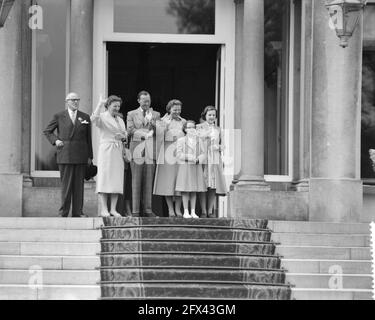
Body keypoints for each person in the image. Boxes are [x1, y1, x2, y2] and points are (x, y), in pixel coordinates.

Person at [43, 92, 93, 218]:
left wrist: (90, 157)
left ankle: (78, 212)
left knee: (79, 187)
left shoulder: (85, 116)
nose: (75, 102)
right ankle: (63, 212)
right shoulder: (59, 116)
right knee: (66, 186)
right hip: (65, 154)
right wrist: (56, 140)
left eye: (77, 100)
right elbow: (47, 131)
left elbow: (89, 139)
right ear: (67, 101)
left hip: (81, 155)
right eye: (72, 100)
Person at [91, 95, 127, 218]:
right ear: (108, 106)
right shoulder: (102, 116)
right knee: (105, 179)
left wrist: (123, 137)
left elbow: (125, 134)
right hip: (106, 151)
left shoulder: (120, 119)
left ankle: (113, 209)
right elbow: (93, 119)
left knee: (116, 180)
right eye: (114, 106)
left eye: (118, 106)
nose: (116, 108)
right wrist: (99, 104)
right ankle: (104, 209)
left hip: (117, 151)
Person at [127, 91, 161, 217]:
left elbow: (160, 132)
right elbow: (130, 130)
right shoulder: (131, 114)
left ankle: (147, 209)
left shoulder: (156, 114)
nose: (147, 103)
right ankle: (135, 210)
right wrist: (144, 132)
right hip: (136, 149)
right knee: (136, 180)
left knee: (148, 181)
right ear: (138, 101)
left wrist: (153, 125)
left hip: (150, 150)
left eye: (148, 100)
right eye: (144, 100)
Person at [153, 100, 186, 218]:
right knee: (167, 182)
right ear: (169, 109)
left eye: (179, 109)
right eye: (174, 109)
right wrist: (164, 124)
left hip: (180, 153)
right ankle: (170, 210)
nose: (177, 111)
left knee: (180, 181)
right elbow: (158, 136)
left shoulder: (184, 121)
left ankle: (178, 209)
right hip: (167, 152)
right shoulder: (162, 121)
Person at [197, 106, 227, 218]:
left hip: (215, 157)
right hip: (204, 157)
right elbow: (197, 141)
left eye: (214, 115)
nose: (212, 117)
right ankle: (203, 211)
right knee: (203, 184)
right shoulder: (199, 127)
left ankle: (210, 210)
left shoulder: (218, 129)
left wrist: (218, 147)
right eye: (209, 115)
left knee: (213, 186)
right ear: (205, 116)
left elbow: (223, 145)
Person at [175, 120, 207, 219]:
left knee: (194, 189)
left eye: (193, 127)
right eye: (189, 127)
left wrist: (198, 159)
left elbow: (203, 153)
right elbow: (178, 154)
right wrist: (189, 157)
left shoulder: (199, 140)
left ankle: (193, 211)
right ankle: (185, 211)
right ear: (185, 129)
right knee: (185, 190)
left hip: (196, 167)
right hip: (186, 166)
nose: (191, 129)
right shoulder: (181, 140)